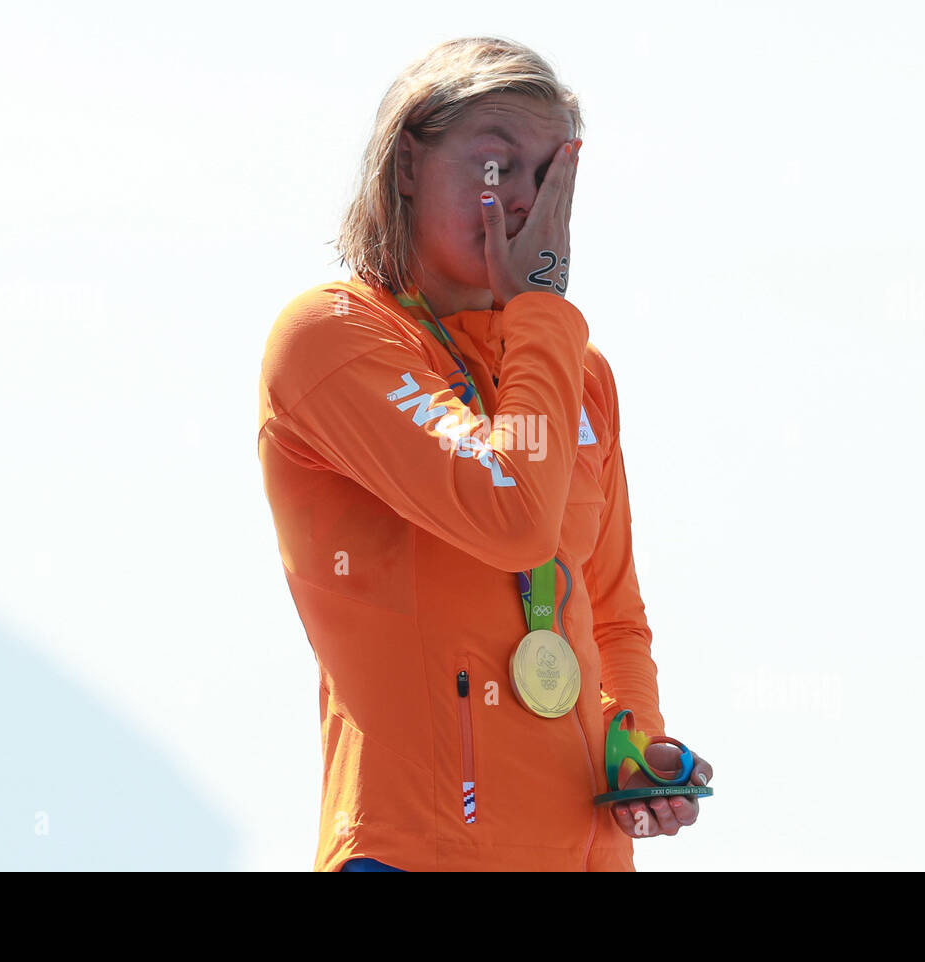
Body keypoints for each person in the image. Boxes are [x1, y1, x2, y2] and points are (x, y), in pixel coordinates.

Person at [257, 36, 712, 872]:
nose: (525, 207)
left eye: (550, 178)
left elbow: (611, 615)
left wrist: (631, 741)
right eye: (497, 168)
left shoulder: (577, 374)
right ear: (405, 166)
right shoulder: (332, 336)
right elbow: (511, 515)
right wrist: (540, 310)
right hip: (412, 853)